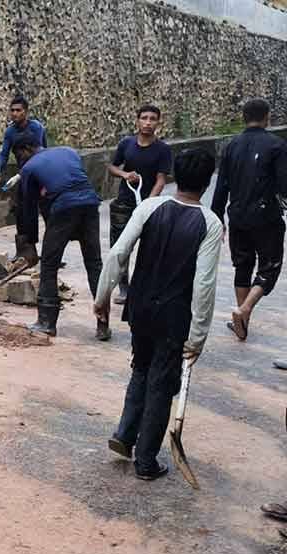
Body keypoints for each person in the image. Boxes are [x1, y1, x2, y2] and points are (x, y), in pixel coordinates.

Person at [94, 148, 223, 480]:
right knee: (162, 383)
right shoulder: (209, 223)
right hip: (174, 316)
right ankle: (147, 461)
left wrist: (102, 296)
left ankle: (125, 435)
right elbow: (204, 285)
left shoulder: (150, 207)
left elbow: (118, 252)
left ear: (176, 175)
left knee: (141, 369)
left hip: (140, 308)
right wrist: (197, 336)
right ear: (208, 181)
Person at [12, 132, 108, 340]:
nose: (19, 161)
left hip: (65, 208)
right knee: (94, 263)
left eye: (18, 155)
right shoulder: (68, 151)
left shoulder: (28, 168)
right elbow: (69, 181)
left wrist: (30, 243)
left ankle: (47, 322)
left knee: (48, 265)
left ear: (25, 150)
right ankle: (103, 325)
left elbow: (29, 209)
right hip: (90, 204)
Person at [211, 98, 287, 341]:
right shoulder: (276, 145)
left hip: (238, 216)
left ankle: (242, 323)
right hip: (266, 217)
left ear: (244, 117)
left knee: (242, 265)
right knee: (270, 266)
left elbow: (221, 185)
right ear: (267, 117)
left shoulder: (232, 145)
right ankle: (243, 310)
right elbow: (284, 185)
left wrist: (217, 217)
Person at [106, 105, 173, 304]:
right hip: (124, 204)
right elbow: (111, 166)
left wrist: (149, 204)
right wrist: (125, 174)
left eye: (153, 118)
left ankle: (141, 287)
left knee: (149, 248)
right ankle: (123, 288)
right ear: (137, 120)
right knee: (120, 248)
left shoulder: (163, 149)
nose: (148, 122)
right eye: (144, 118)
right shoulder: (126, 144)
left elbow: (161, 179)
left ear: (158, 122)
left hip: (148, 206)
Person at [0, 96, 48, 266]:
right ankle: (25, 252)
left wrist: (21, 175)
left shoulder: (36, 128)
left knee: (47, 213)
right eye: (12, 110)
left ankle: (51, 253)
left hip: (41, 173)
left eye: (18, 110)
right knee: (22, 213)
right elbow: (4, 153)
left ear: (26, 112)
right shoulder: (10, 132)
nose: (14, 113)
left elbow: (39, 153)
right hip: (23, 177)